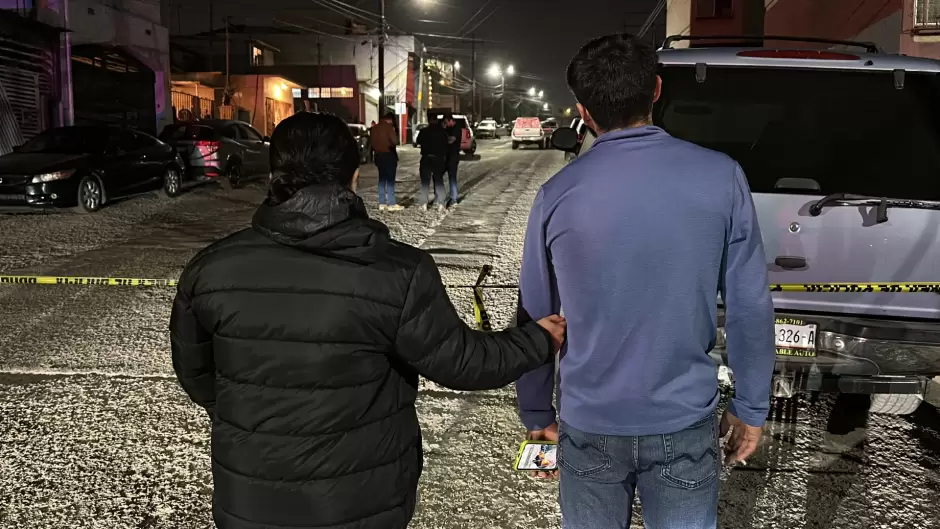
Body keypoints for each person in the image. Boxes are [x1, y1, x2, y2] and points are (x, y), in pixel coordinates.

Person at [170, 112, 567, 529]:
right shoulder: (397, 271)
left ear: (274, 174)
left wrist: (256, 416)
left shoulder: (211, 268)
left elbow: (197, 375)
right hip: (361, 500)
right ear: (354, 175)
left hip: (249, 497)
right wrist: (537, 339)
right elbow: (461, 361)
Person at [515, 33, 775, 529]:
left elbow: (535, 316)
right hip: (682, 419)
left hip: (588, 419)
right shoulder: (721, 177)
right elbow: (748, 304)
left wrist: (535, 410)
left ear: (584, 112)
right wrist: (750, 405)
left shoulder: (556, 194)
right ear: (656, 91)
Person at [415, 114, 448, 210]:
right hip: (438, 159)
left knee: (425, 182)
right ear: (437, 121)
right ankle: (441, 203)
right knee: (439, 181)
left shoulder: (423, 131)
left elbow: (418, 141)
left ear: (428, 121)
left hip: (426, 158)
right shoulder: (442, 132)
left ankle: (423, 203)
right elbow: (446, 145)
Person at [369, 112, 401, 211]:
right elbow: (395, 141)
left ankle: (382, 203)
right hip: (389, 155)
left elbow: (372, 143)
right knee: (390, 180)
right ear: (389, 120)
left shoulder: (374, 128)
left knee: (382, 179)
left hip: (379, 156)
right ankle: (391, 203)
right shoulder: (389, 128)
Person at [443, 115, 462, 206]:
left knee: (452, 177)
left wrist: (443, 138)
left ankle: (454, 197)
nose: (446, 124)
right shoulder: (449, 129)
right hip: (446, 156)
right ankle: (447, 195)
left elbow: (451, 140)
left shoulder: (457, 129)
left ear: (451, 121)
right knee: (441, 176)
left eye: (447, 122)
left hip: (453, 156)